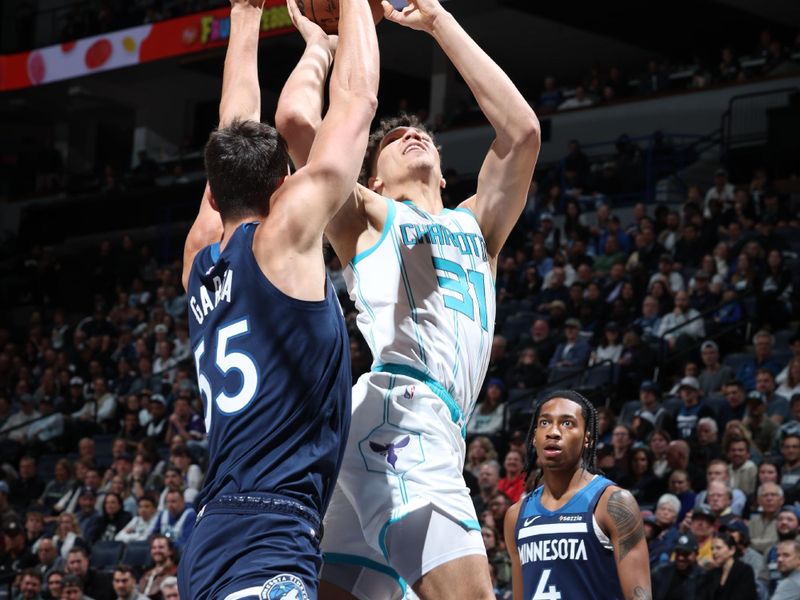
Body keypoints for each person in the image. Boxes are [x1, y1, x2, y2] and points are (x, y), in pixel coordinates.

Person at [276, 0, 541, 598]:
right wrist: (325, 46)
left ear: (446, 175)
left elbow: (522, 131)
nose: (410, 133)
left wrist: (437, 20)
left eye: (420, 133)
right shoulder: (368, 217)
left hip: (425, 429)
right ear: (370, 177)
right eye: (392, 139)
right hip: (401, 418)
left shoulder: (479, 226)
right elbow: (297, 126)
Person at [177, 0, 378, 596]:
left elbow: (232, 132)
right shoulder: (285, 242)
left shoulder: (198, 257)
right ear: (284, 188)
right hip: (271, 528)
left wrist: (244, 15)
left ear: (214, 195)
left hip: (211, 535)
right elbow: (358, 105)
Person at [505, 390, 651, 600]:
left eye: (567, 423)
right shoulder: (516, 515)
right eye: (545, 423)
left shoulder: (613, 503)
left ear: (588, 439)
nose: (553, 432)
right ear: (534, 438)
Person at [651, 532, 706, 600]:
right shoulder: (662, 572)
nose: (680, 558)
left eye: (686, 554)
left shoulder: (703, 578)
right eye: (678, 553)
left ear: (696, 554)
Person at [702, 532, 756, 600]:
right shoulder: (713, 572)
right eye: (712, 549)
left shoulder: (744, 571)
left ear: (732, 550)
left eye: (718, 548)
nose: (713, 552)